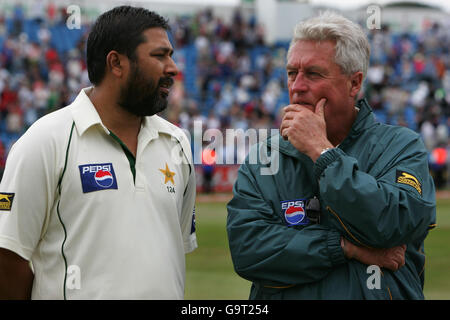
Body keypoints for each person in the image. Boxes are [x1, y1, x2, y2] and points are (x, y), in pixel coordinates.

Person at [227, 12, 436, 300]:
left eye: (313, 74)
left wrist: (321, 152)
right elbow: (248, 251)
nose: (297, 86)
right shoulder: (264, 157)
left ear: (354, 84)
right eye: (291, 73)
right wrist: (344, 248)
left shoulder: (401, 147)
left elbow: (391, 224)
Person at [0, 6, 197, 299]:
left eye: (170, 54)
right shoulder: (45, 141)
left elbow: (170, 253)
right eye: (159, 55)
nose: (172, 67)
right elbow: (8, 258)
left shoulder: (177, 142)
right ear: (116, 63)